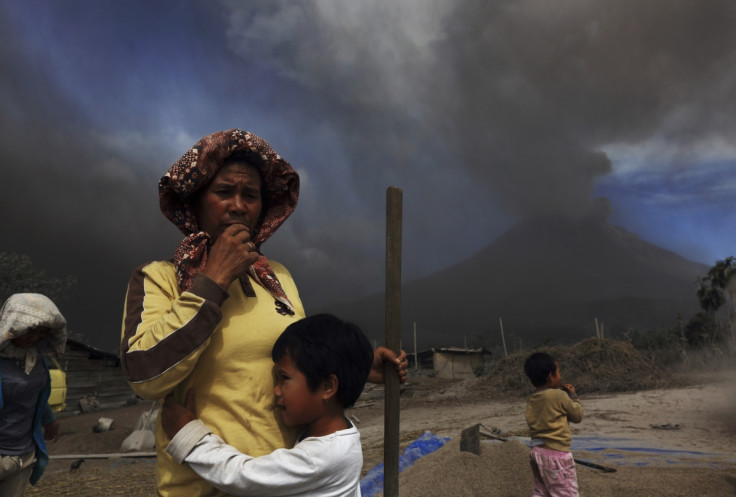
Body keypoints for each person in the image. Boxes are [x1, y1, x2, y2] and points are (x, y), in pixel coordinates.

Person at [120, 129, 407, 496]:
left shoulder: (279, 278)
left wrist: (359, 367)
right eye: (223, 192)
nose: (238, 206)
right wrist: (214, 280)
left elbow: (302, 359)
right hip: (204, 486)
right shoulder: (159, 279)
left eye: (250, 195)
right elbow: (144, 376)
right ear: (196, 200)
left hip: (280, 484)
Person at [161, 313, 374, 496]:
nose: (276, 390)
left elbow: (242, 476)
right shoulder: (341, 436)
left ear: (327, 386)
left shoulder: (322, 457)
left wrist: (189, 436)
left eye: (284, 378)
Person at [0, 293, 66, 497]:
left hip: (23, 453)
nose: (34, 337)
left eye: (41, 332)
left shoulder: (36, 359)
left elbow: (37, 395)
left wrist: (49, 420)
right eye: (29, 329)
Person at [523, 352, 583, 497]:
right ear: (551, 376)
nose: (560, 376)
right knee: (566, 493)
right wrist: (573, 396)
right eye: (558, 372)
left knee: (541, 491)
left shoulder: (532, 399)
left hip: (537, 453)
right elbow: (577, 416)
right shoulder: (559, 395)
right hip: (557, 456)